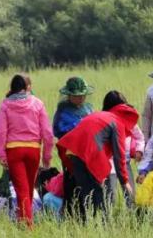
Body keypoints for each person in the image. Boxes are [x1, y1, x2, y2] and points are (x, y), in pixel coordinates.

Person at [56, 90, 139, 222]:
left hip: (73, 153)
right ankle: (104, 227)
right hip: (88, 154)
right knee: (101, 195)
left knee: (87, 194)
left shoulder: (99, 115)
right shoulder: (117, 122)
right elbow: (119, 156)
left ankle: (88, 225)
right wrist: (124, 182)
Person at [0, 73, 54, 228]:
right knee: (27, 189)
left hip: (14, 151)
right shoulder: (38, 103)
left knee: (21, 190)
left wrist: (1, 153)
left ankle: (26, 226)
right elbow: (47, 133)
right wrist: (47, 157)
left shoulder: (5, 104)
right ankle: (26, 224)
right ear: (28, 87)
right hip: (33, 150)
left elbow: (1, 131)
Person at [52, 76, 94, 216]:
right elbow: (59, 129)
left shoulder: (88, 108)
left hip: (87, 152)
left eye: (83, 95)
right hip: (70, 153)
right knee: (72, 181)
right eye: (77, 96)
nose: (81, 98)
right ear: (69, 95)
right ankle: (71, 214)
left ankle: (87, 212)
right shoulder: (63, 111)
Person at [102, 91, 145, 208]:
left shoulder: (129, 121)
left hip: (124, 162)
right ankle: (108, 218)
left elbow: (140, 137)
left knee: (130, 193)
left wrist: (139, 150)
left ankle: (132, 217)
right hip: (109, 163)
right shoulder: (104, 121)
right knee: (110, 194)